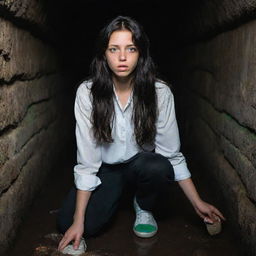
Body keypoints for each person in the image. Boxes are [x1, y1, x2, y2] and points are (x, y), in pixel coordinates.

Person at [56, 15, 225, 254]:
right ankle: (113, 197)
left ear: (141, 53)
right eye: (114, 49)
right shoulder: (87, 93)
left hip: (142, 165)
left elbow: (172, 155)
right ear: (104, 54)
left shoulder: (159, 92)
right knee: (69, 222)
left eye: (131, 49)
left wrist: (197, 203)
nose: (122, 57)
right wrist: (78, 220)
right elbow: (87, 162)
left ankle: (142, 203)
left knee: (158, 167)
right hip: (108, 169)